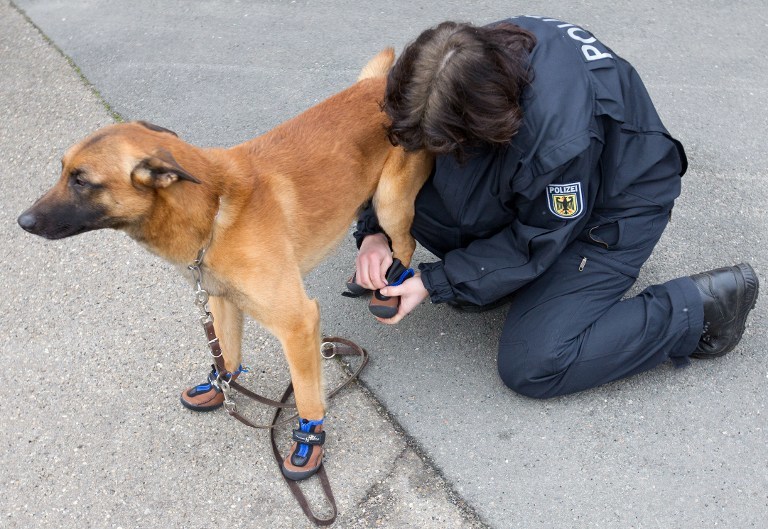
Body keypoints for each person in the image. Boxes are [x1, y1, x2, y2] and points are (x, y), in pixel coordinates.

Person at [349, 16, 759, 399]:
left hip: (615, 208)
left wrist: (435, 282)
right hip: (533, 174)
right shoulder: (449, 65)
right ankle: (497, 279)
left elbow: (534, 240)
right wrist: (376, 231)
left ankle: (698, 308)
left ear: (482, 122)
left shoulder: (557, 143)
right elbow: (398, 154)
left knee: (534, 361)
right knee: (451, 213)